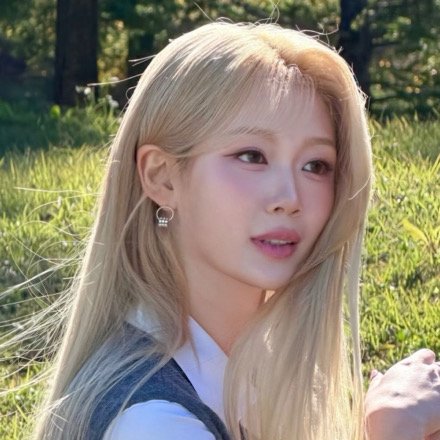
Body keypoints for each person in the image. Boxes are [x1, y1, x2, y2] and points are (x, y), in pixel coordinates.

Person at [15, 21, 440, 440]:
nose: (289, 197)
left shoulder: (252, 372)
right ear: (162, 177)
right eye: (252, 156)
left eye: (315, 165)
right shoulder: (150, 421)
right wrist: (394, 432)